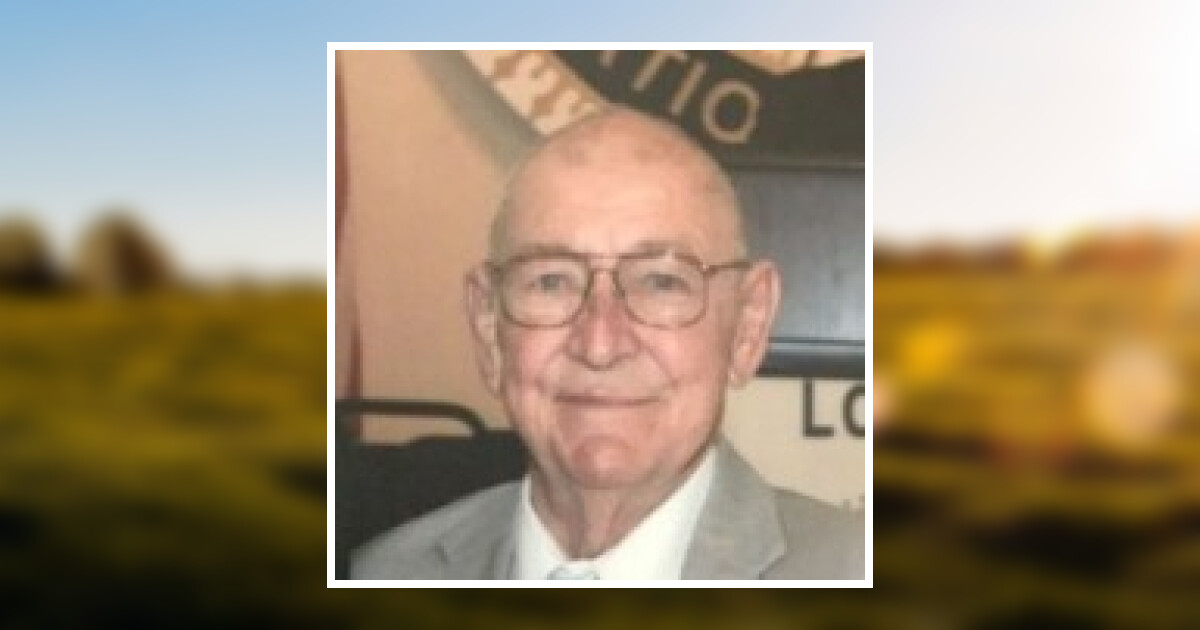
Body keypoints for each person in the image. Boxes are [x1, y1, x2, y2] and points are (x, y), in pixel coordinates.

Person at [352, 107, 864, 580]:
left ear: (747, 326)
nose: (600, 345)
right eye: (551, 281)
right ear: (489, 327)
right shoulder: (385, 574)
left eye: (661, 282)